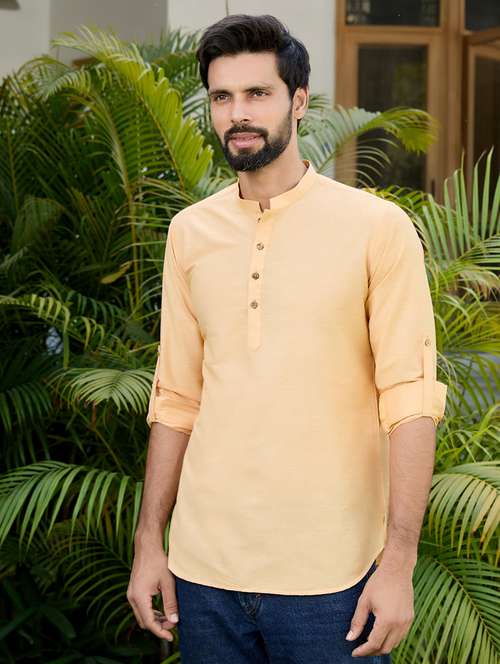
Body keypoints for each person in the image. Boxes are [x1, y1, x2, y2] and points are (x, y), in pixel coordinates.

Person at [126, 13, 448, 663]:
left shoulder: (377, 228)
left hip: (332, 579)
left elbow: (410, 402)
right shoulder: (190, 233)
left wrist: (398, 564)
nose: (238, 113)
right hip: (204, 572)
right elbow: (177, 397)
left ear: (298, 102)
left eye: (258, 93)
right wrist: (149, 543)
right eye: (222, 96)